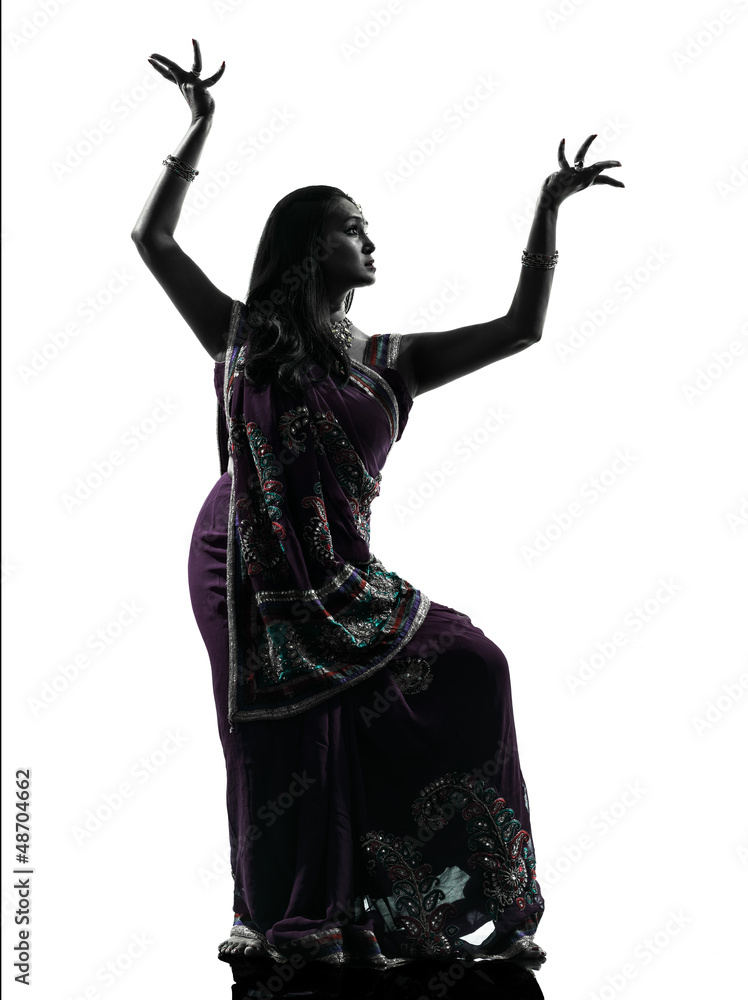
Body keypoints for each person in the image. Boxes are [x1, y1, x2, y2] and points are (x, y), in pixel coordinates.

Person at [131, 40, 624, 975]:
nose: (371, 243)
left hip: (344, 574)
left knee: (472, 666)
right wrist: (199, 129)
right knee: (287, 733)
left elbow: (521, 329)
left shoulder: (389, 361)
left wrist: (548, 209)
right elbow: (152, 243)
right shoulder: (243, 336)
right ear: (311, 245)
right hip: (242, 558)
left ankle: (471, 905)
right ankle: (295, 916)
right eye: (354, 229)